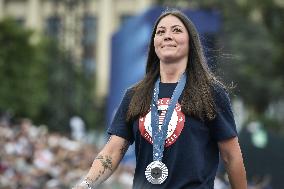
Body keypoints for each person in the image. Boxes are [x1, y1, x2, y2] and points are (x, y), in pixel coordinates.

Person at [73, 9, 247, 189]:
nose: (167, 36)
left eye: (176, 30)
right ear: (154, 43)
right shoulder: (135, 95)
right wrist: (86, 184)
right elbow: (112, 151)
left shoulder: (211, 92)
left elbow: (230, 156)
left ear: (191, 42)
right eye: (160, 32)